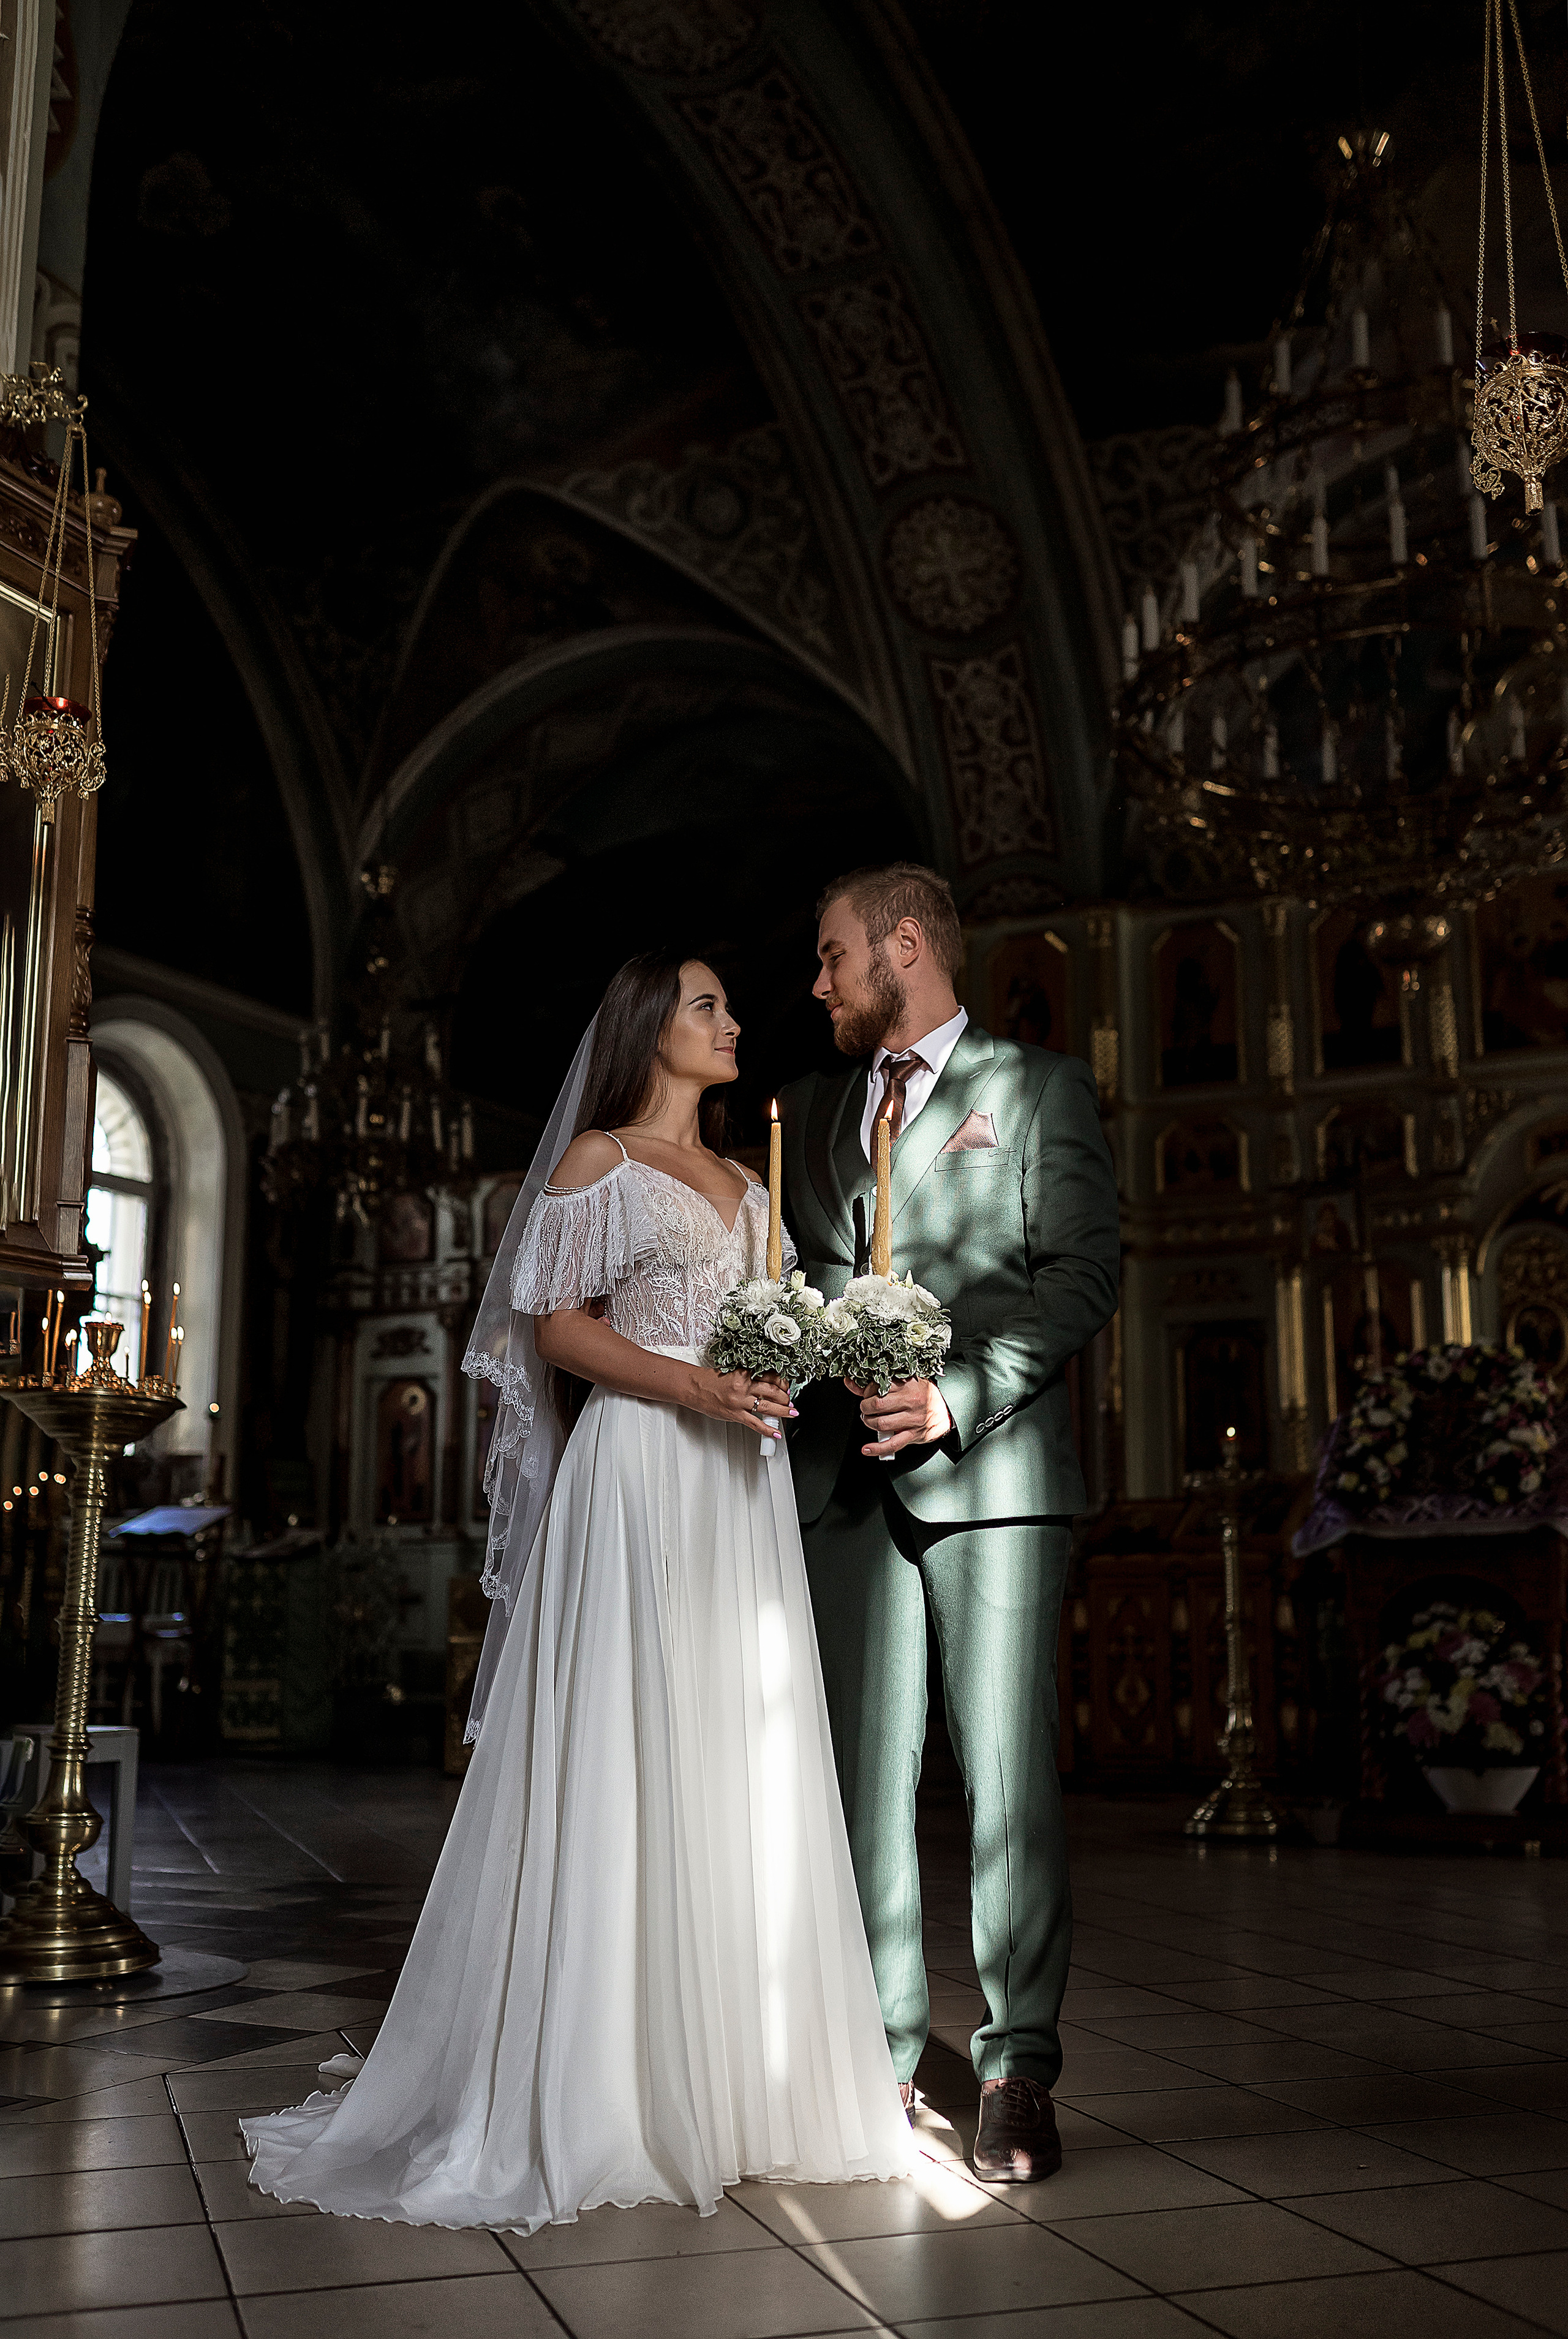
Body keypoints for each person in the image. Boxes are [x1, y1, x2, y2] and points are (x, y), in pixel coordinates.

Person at [241, 951, 913, 2231]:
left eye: (726, 1006)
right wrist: (699, 1383)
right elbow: (553, 1326)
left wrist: (841, 1344)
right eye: (707, 1005)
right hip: (641, 1469)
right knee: (624, 1740)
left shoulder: (750, 1182)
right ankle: (604, 2079)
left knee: (733, 1746)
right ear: (650, 1029)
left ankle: (741, 2079)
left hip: (739, 1488)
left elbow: (764, 1328)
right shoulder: (602, 1161)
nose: (731, 1021)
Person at [779, 864, 1120, 2182]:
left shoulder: (1037, 1090)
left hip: (995, 1482)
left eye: (831, 956)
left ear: (903, 946)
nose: (816, 983)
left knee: (1006, 1783)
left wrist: (956, 1394)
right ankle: (874, 2058)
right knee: (861, 1786)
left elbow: (1081, 1276)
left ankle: (1016, 2068)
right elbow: (797, 1271)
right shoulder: (812, 1110)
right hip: (843, 1488)